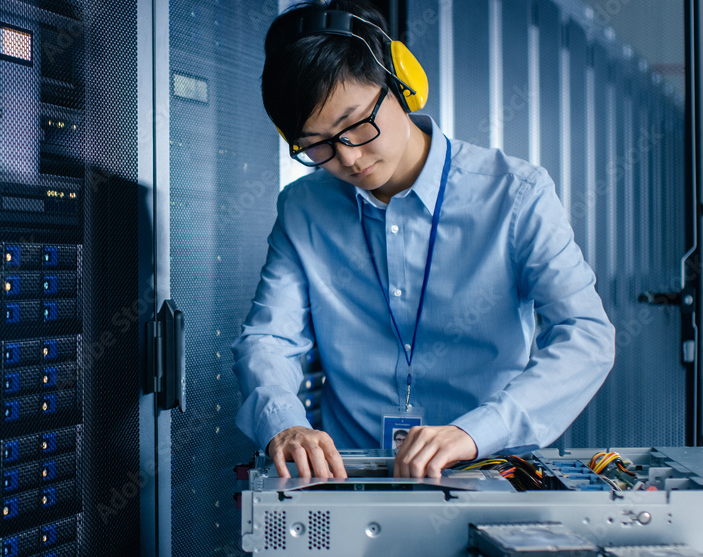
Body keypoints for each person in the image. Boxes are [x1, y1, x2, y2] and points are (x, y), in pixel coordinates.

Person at [233, 0, 615, 480]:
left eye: (355, 125)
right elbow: (270, 336)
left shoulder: (515, 194)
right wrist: (284, 424)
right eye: (318, 145)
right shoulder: (304, 207)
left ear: (400, 83)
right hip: (351, 479)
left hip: (486, 469)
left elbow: (586, 335)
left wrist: (476, 430)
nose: (347, 158)